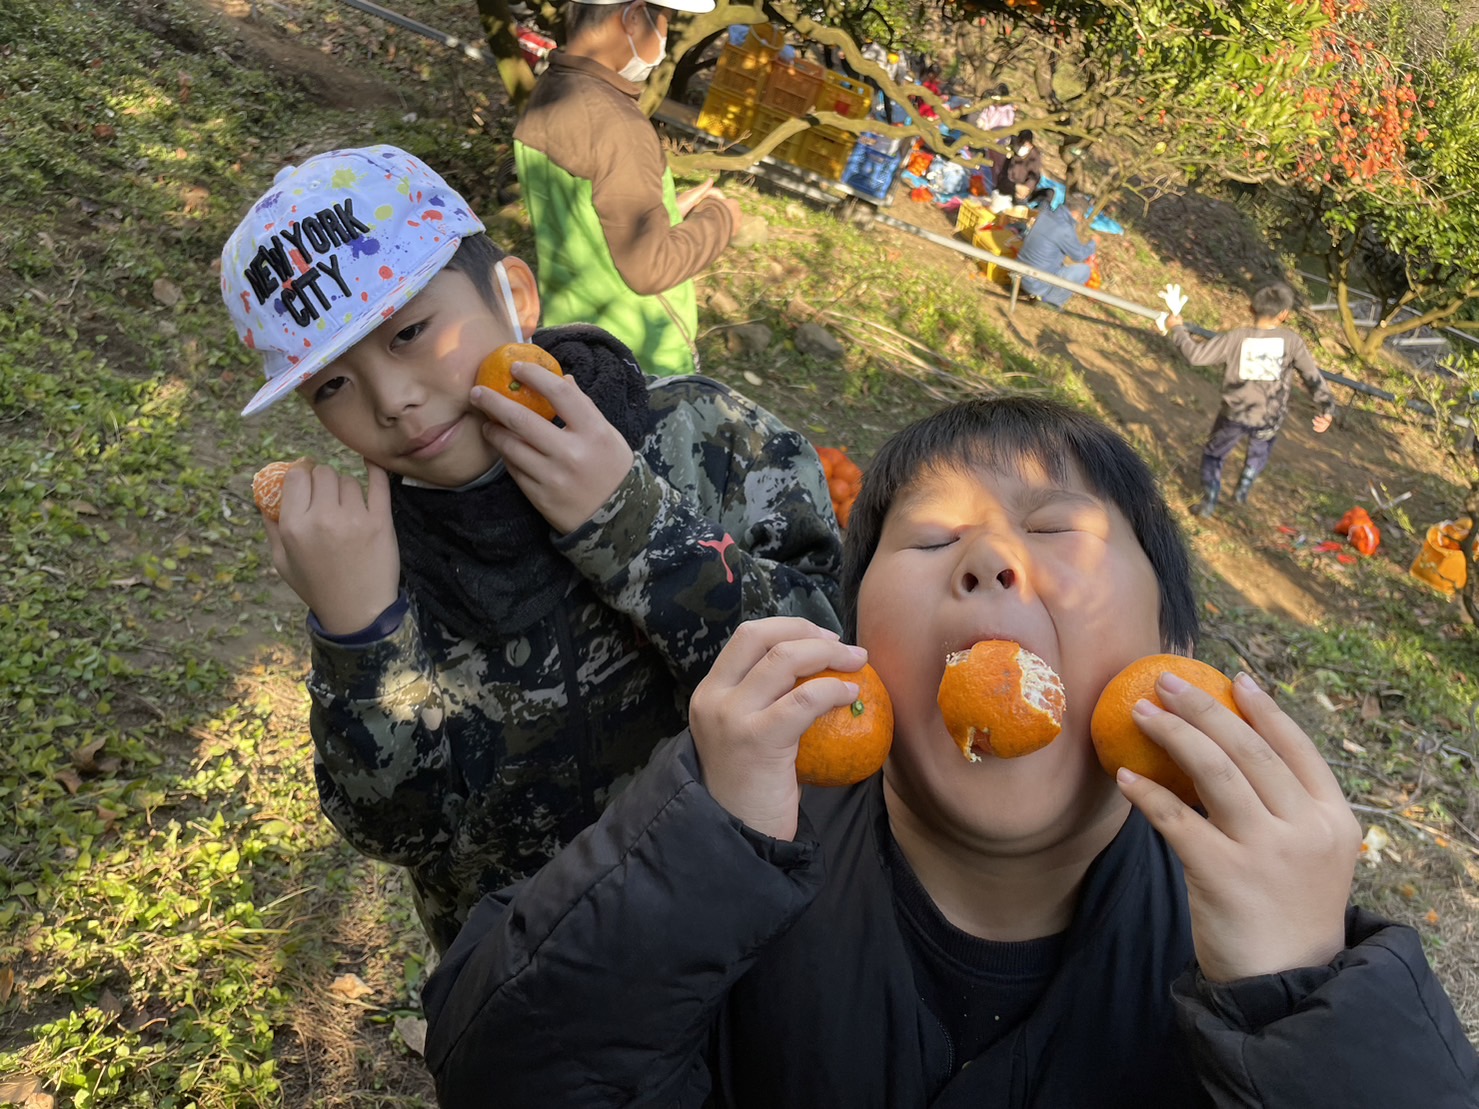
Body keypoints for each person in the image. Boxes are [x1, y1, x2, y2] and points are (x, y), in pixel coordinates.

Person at [421, 395, 1478, 1106]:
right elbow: (500, 1070)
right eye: (929, 541)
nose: (989, 558)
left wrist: (1298, 995)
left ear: (1174, 652)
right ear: (856, 646)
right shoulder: (731, 855)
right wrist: (698, 843)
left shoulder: (1272, 950)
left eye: (1059, 530)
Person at [219, 145, 844, 953]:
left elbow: (830, 663)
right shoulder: (373, 562)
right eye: (331, 384)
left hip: (757, 934)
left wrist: (630, 522)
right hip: (539, 986)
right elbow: (396, 831)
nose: (392, 399)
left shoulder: (707, 437)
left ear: (512, 296)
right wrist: (358, 634)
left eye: (410, 330)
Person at [514, 0, 743, 376]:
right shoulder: (618, 126)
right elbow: (649, 270)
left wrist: (668, 208)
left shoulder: (551, 94)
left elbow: (590, 211)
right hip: (638, 358)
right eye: (665, 21)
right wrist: (721, 219)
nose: (665, 37)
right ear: (634, 17)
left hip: (572, 342)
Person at [1165, 282, 1338, 517]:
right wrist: (1327, 408)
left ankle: (1209, 502)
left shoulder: (1236, 338)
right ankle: (1242, 491)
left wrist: (1178, 329)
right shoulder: (1292, 342)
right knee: (1260, 452)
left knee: (1215, 453)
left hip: (1234, 414)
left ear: (1250, 308)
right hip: (1269, 416)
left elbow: (1196, 356)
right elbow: (1311, 376)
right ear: (1284, 315)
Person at [1014, 191, 1098, 311]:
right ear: (1076, 214)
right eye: (1082, 215)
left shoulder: (1045, 215)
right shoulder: (1065, 229)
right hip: (1036, 284)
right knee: (1084, 270)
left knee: (1060, 263)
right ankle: (1050, 302)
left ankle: (1040, 293)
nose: (1082, 219)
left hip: (1018, 274)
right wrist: (1093, 244)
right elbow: (1079, 256)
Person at [989, 128, 1042, 213]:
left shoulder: (1034, 156)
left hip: (1021, 192)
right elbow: (1004, 173)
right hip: (1007, 185)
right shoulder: (1012, 150)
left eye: (1028, 145)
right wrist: (1014, 186)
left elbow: (1034, 176)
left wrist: (1026, 188)